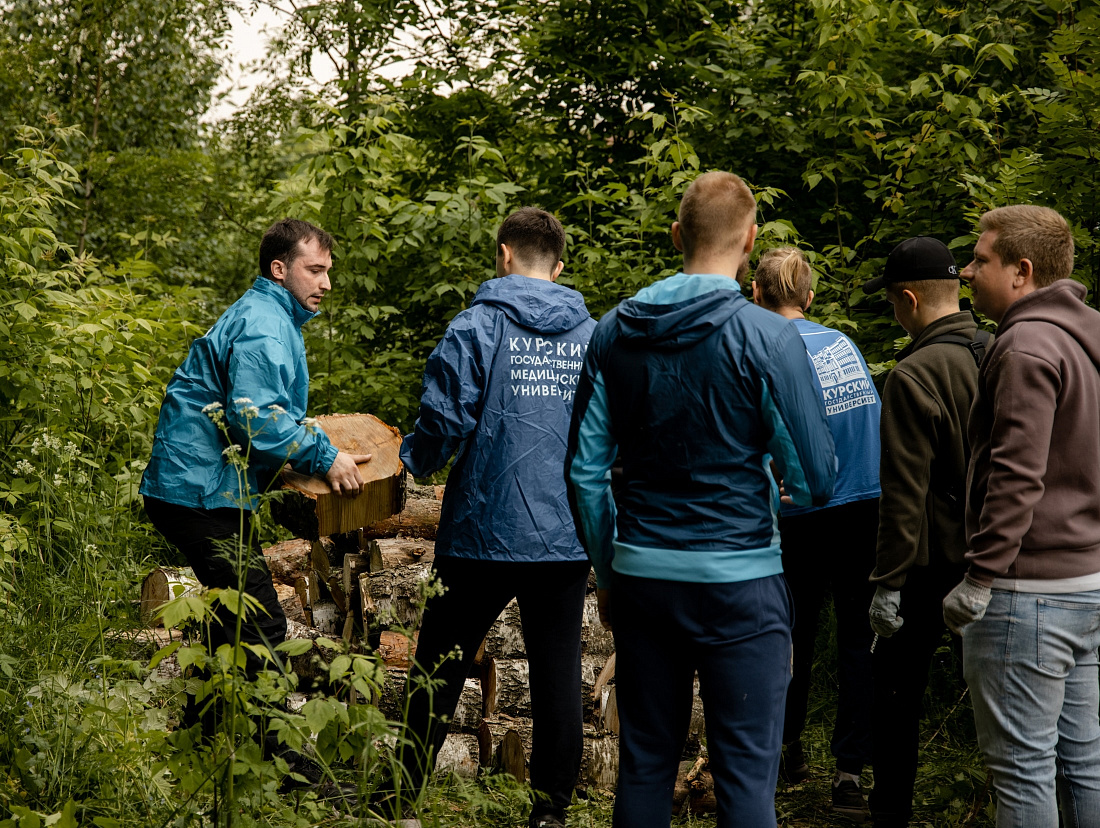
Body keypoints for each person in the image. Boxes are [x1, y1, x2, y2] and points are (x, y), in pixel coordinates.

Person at [567, 171, 837, 828]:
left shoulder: (614, 333)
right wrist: (779, 489)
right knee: (746, 782)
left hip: (644, 579)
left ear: (675, 235)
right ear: (750, 240)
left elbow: (584, 473)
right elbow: (818, 476)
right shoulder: (771, 338)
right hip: (742, 583)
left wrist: (608, 571)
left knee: (645, 767)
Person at [140, 219, 369, 762]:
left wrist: (319, 448)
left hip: (204, 489)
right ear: (279, 268)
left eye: (328, 272)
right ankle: (285, 766)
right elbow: (256, 419)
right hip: (196, 493)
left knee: (231, 620)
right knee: (261, 621)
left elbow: (268, 413)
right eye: (316, 270)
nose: (326, 283)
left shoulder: (272, 316)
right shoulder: (265, 323)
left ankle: (196, 746)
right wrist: (323, 457)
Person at [395, 207, 595, 828]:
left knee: (438, 667)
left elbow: (443, 419)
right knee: (558, 677)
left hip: (480, 532)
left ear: (504, 254)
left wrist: (413, 461)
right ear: (557, 267)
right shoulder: (596, 338)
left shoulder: (475, 326)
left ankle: (400, 803)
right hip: (564, 536)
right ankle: (551, 814)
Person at [945, 205, 1100, 827]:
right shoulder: (1086, 338)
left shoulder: (1025, 346)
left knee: (1023, 772)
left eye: (980, 259)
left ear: (1021, 271)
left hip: (1026, 594)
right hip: (1086, 585)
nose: (967, 271)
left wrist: (979, 577)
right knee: (1084, 764)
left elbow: (1016, 473)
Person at [752, 247, 880, 822]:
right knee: (858, 640)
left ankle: (784, 748)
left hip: (797, 512)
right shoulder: (842, 345)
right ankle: (849, 775)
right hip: (863, 507)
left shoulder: (760, 348)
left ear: (756, 294)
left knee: (788, 636)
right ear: (809, 296)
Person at [863, 236, 986, 828]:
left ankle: (890, 812)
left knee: (896, 695)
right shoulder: (1000, 349)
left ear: (908, 300)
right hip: (1002, 558)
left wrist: (888, 582)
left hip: (931, 565)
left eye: (891, 301)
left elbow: (904, 492)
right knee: (1004, 699)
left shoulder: (913, 374)